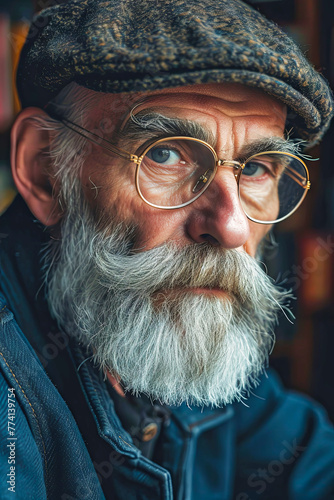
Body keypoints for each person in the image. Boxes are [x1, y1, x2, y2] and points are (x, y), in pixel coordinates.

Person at [1, 0, 334, 498]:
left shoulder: (177, 339)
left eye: (256, 168)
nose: (231, 226)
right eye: (166, 154)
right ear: (45, 170)